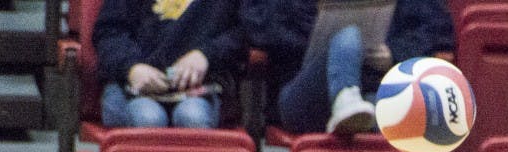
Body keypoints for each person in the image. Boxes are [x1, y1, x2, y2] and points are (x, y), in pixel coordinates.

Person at [240, 0, 454, 135]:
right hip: (304, 91)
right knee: (347, 37)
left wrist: (392, 54)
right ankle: (346, 97)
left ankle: (355, 110)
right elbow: (260, 31)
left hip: (378, 84)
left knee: (386, 115)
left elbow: (434, 32)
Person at [92, 0, 246, 129]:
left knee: (193, 117)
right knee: (148, 119)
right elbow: (109, 33)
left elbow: (244, 33)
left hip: (201, 88)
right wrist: (132, 68)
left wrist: (206, 55)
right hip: (130, 85)